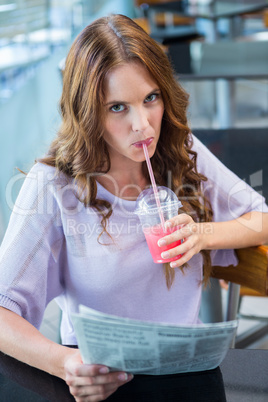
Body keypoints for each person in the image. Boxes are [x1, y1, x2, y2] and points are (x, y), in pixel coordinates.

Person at [0, 14, 267, 402]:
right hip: (101, 381)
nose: (143, 125)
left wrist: (202, 234)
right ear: (88, 112)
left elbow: (261, 216)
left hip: (189, 374)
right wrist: (64, 364)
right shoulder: (54, 184)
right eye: (117, 108)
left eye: (150, 98)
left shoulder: (180, 152)